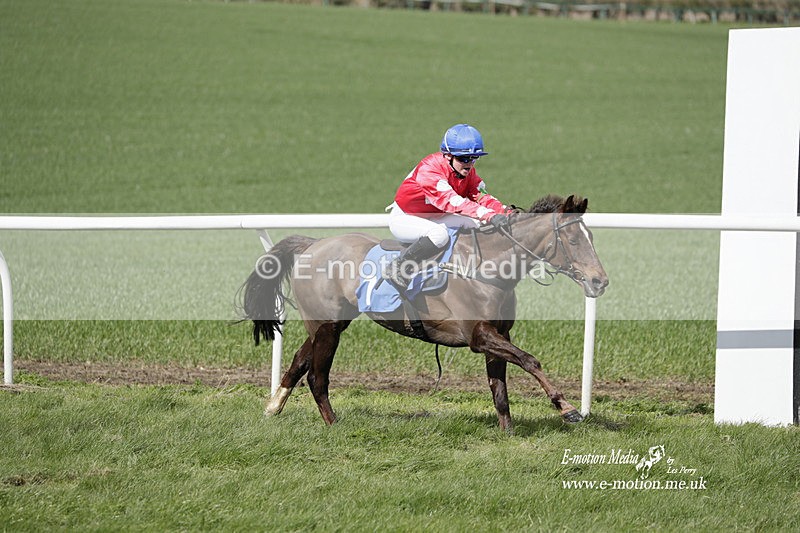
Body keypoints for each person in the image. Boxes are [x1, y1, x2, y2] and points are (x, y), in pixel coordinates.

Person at [385, 123, 511, 288]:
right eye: (463, 158)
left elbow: (480, 196)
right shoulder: (429, 170)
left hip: (436, 215)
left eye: (474, 158)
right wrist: (489, 215)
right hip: (406, 218)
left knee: (478, 224)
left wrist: (504, 211)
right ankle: (399, 267)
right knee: (439, 235)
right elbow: (454, 202)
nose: (469, 164)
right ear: (447, 156)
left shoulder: (468, 172)